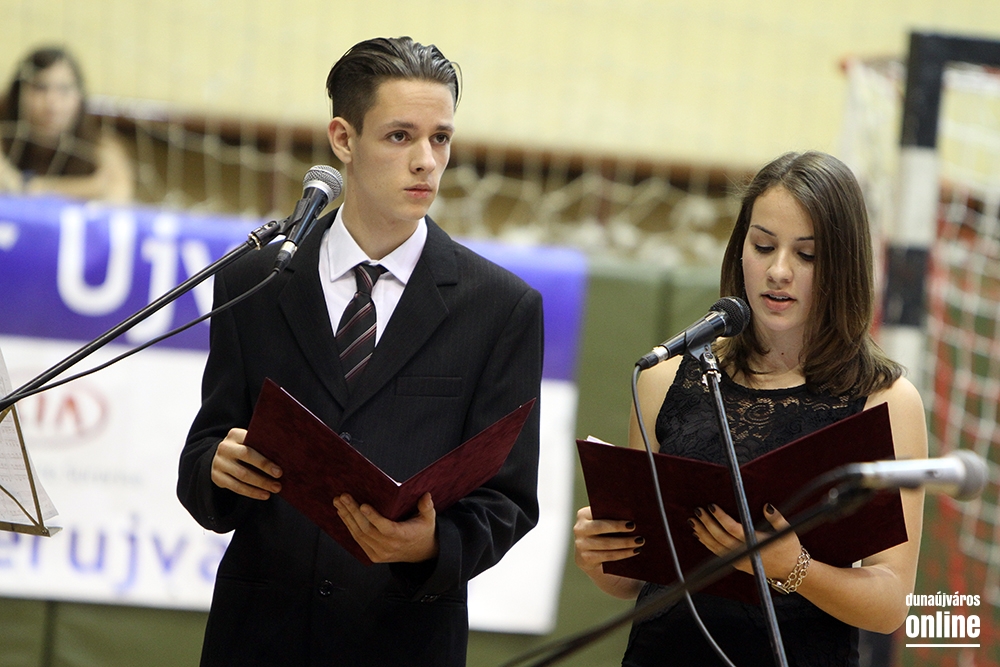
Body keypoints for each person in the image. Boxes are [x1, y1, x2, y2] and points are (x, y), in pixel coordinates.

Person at [177, 37, 543, 666]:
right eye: (401, 136)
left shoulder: (501, 307)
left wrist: (431, 544)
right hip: (258, 635)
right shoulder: (256, 281)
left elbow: (509, 499)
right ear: (343, 139)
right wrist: (217, 467)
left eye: (440, 138)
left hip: (402, 640)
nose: (426, 161)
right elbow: (206, 448)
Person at [574, 151, 927, 666]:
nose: (778, 271)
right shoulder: (663, 378)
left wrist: (794, 567)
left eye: (806, 255)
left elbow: (891, 603)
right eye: (762, 246)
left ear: (843, 265)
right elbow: (635, 582)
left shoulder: (886, 400)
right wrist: (600, 555)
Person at [0, 46, 133, 202]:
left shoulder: (100, 146)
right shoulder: (4, 137)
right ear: (18, 94)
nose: (52, 104)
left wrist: (29, 185)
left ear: (80, 97)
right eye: (40, 88)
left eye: (64, 89)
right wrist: (90, 187)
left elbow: (117, 192)